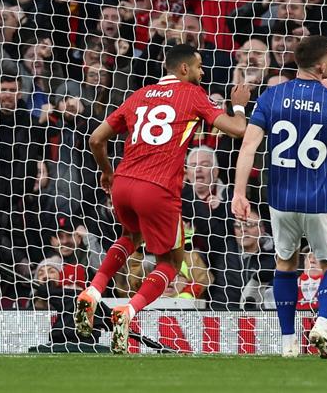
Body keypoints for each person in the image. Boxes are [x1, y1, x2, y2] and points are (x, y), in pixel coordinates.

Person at [75, 43, 250, 353]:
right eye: (198, 66)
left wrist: (107, 173)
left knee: (130, 235)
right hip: (157, 188)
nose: (202, 71)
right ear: (183, 69)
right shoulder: (192, 94)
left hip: (123, 184)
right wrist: (238, 105)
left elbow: (95, 139)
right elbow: (238, 130)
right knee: (171, 261)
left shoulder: (139, 95)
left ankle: (94, 289)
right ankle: (127, 312)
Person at [233, 35, 327, 359]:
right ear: (321, 65)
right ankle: (323, 325)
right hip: (320, 199)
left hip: (281, 199)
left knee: (285, 264)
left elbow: (249, 146)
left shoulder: (271, 96)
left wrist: (239, 193)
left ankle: (288, 343)